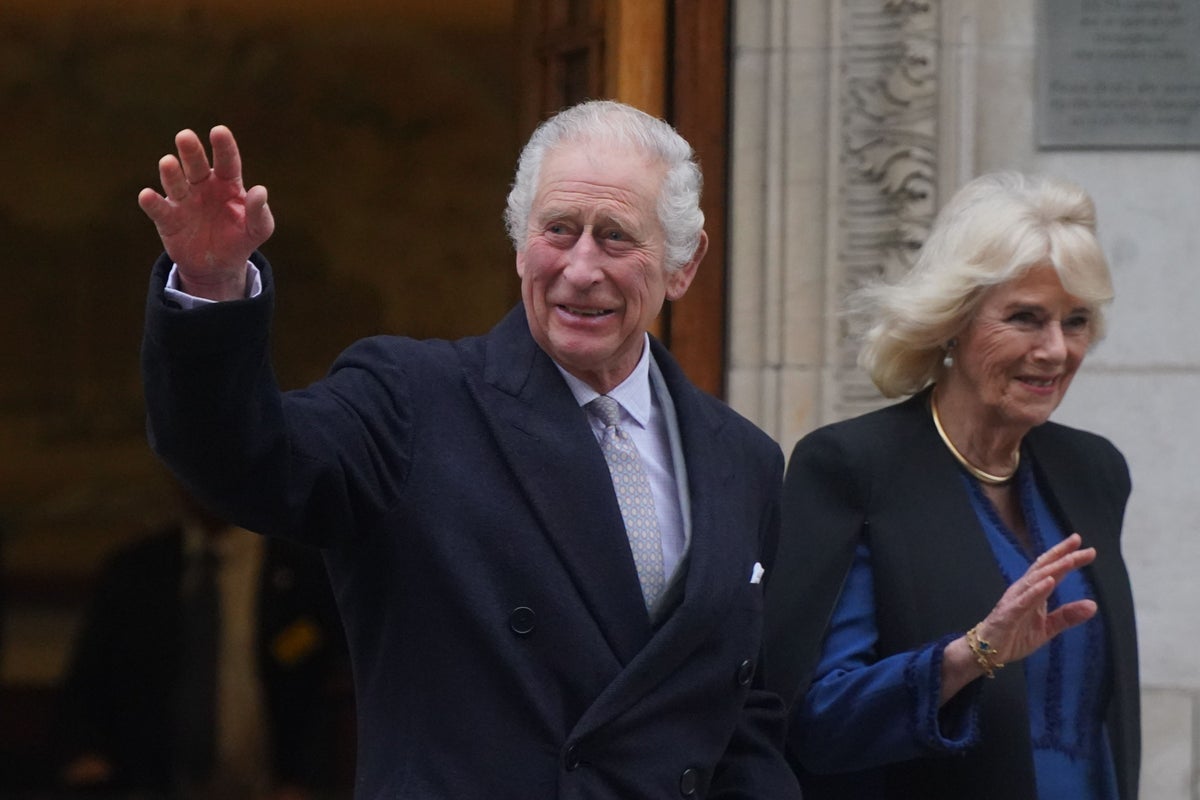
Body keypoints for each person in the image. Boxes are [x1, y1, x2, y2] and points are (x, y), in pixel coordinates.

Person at [136, 100, 800, 798]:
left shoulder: (743, 461)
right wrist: (213, 291)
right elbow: (244, 461)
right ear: (519, 245)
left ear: (682, 265)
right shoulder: (412, 402)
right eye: (559, 231)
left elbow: (741, 717)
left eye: (614, 238)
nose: (579, 269)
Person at [764, 172, 1139, 800]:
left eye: (1075, 322)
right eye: (1025, 318)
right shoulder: (853, 467)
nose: (1055, 350)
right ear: (953, 321)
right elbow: (813, 721)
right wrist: (972, 655)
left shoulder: (1094, 470)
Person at [54, 491, 349, 799]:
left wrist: (305, 780)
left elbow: (330, 683)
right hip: (153, 787)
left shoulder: (304, 573)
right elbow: (85, 688)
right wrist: (87, 759)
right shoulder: (135, 570)